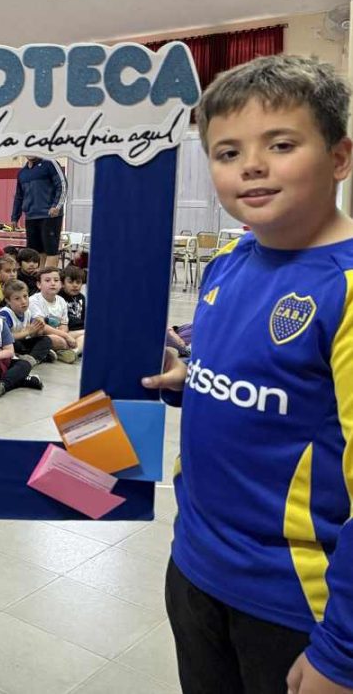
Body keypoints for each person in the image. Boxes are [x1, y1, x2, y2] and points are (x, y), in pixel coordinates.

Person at [140, 55, 353, 694]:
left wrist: (341, 653)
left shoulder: (346, 289)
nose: (251, 166)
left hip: (294, 604)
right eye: (227, 152)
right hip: (196, 569)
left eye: (280, 144)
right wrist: (191, 380)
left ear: (340, 157)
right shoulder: (230, 262)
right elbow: (258, 385)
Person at [12, 156, 67, 268]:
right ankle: (39, 281)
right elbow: (19, 196)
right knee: (35, 253)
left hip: (50, 216)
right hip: (31, 217)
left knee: (51, 251)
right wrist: (14, 217)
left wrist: (57, 206)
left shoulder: (50, 163)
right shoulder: (22, 173)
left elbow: (62, 185)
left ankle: (50, 279)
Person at [28, 267, 80, 362]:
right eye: (47, 280)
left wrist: (64, 334)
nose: (53, 283)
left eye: (56, 280)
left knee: (84, 335)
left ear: (61, 284)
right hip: (40, 336)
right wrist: (66, 337)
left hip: (60, 334)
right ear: (39, 284)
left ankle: (73, 352)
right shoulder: (34, 300)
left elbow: (64, 324)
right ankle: (64, 350)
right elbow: (41, 327)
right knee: (58, 340)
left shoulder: (61, 301)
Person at [0, 279, 54, 367]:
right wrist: (27, 332)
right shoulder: (5, 314)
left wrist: (38, 328)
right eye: (17, 298)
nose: (23, 301)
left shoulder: (27, 312)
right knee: (16, 344)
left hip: (22, 342)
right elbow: (6, 338)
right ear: (8, 301)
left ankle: (32, 358)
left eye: (25, 296)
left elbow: (34, 334)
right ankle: (38, 356)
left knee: (46, 340)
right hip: (9, 345)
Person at [59, 265, 87, 331]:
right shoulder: (59, 297)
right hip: (66, 330)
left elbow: (84, 316)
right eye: (70, 282)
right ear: (62, 284)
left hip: (80, 328)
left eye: (78, 282)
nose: (75, 285)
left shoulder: (82, 297)